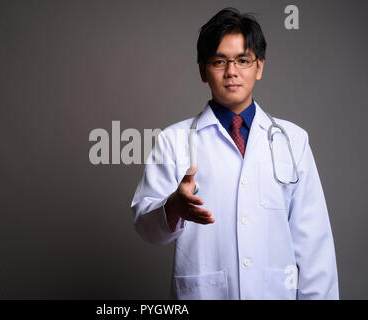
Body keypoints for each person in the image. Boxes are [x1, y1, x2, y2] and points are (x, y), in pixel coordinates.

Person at [130, 8, 339, 300]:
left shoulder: (293, 140)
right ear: (203, 70)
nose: (232, 71)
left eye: (243, 60)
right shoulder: (174, 141)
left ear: (260, 67)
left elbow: (314, 246)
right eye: (219, 61)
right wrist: (173, 207)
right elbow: (146, 228)